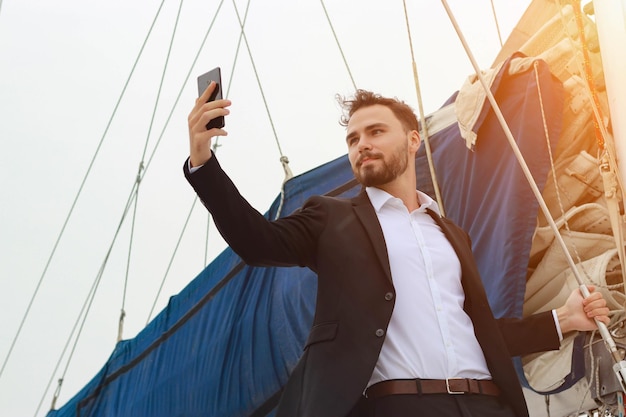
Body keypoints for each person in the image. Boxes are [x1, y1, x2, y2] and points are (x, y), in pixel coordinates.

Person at [184, 84, 610, 417]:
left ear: (412, 140)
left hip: (487, 404)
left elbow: (476, 333)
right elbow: (257, 242)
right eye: (352, 139)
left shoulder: (451, 234)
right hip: (400, 406)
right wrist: (203, 161)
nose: (361, 144)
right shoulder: (331, 218)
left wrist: (563, 319)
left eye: (375, 132)